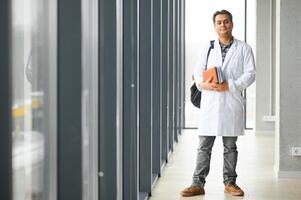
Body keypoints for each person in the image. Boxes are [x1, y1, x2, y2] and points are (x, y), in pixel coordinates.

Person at [181, 10, 256, 197]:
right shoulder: (207, 47)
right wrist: (203, 83)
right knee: (204, 146)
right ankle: (197, 183)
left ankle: (230, 183)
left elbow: (250, 74)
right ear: (215, 26)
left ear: (232, 24)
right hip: (210, 103)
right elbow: (198, 72)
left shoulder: (244, 48)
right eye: (219, 22)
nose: (222, 25)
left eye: (226, 22)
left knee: (230, 147)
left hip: (231, 102)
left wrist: (230, 85)